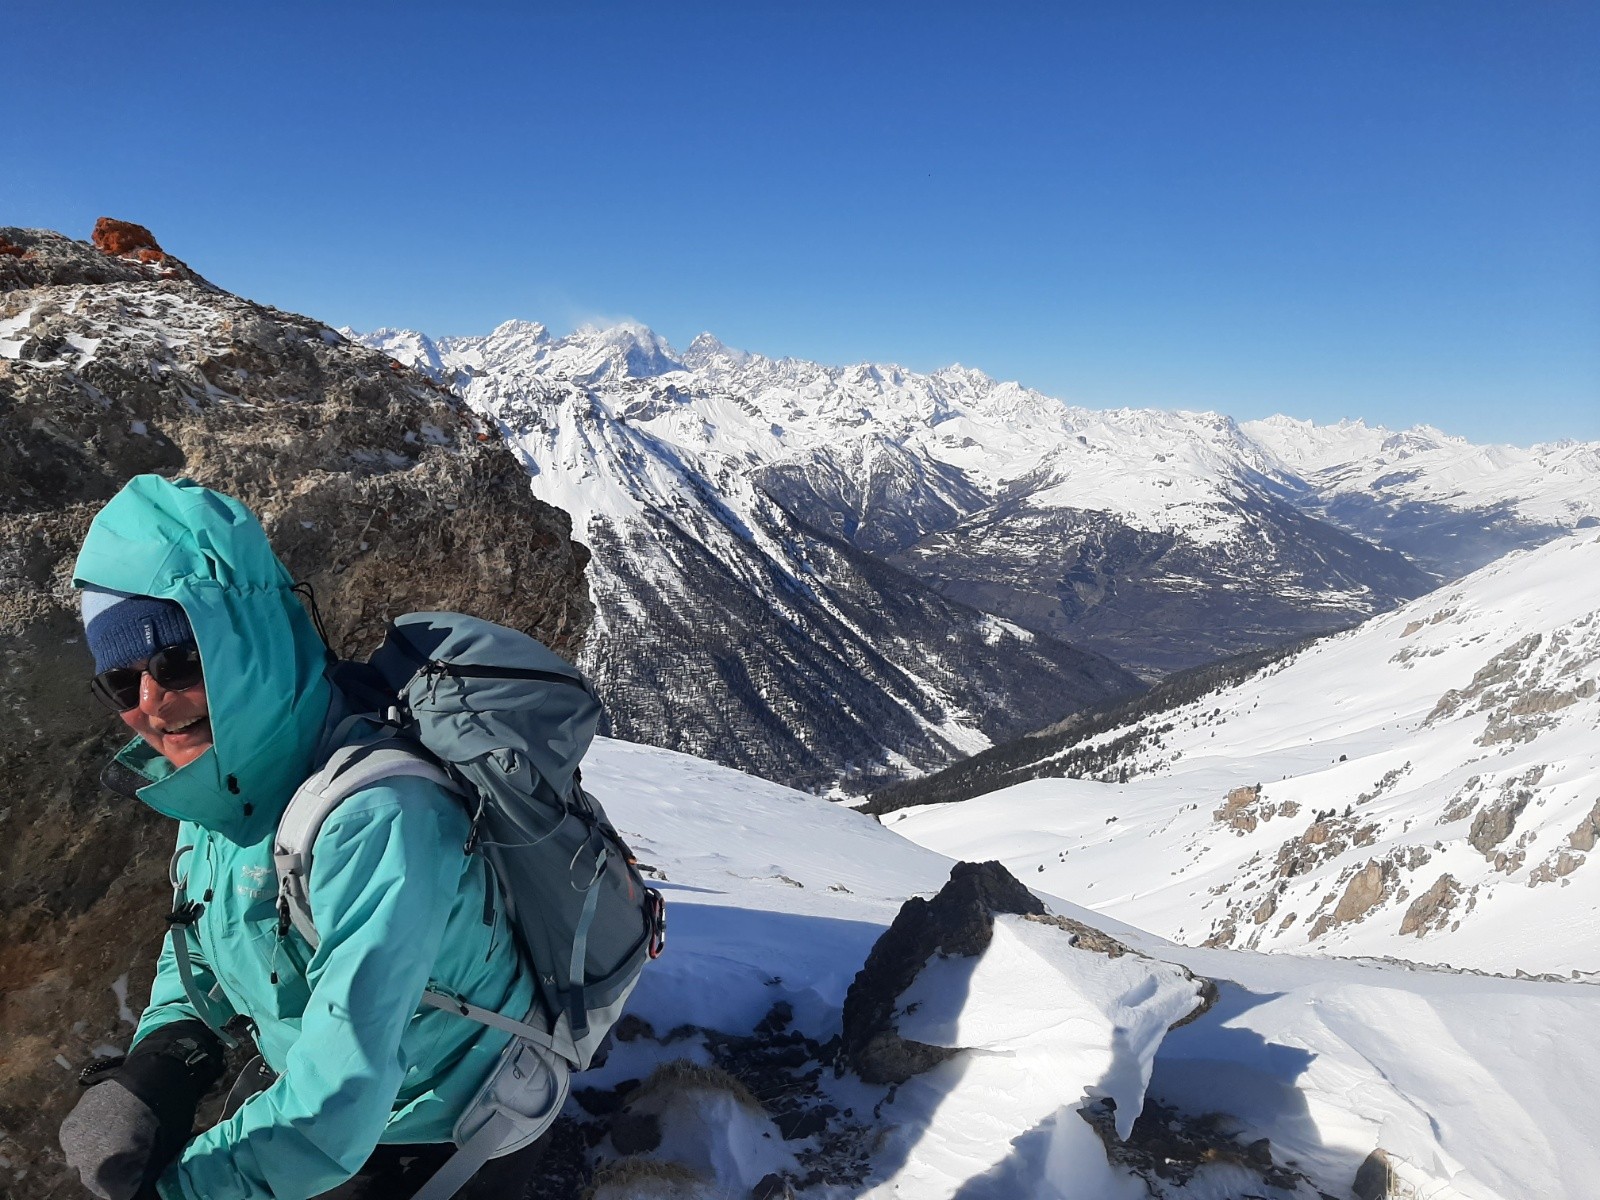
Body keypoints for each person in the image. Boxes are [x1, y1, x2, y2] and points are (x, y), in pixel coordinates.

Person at [59, 475, 544, 1200]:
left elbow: (333, 1105)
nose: (154, 705)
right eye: (122, 685)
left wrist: (177, 1193)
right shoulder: (224, 775)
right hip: (349, 1120)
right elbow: (201, 924)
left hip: (453, 1130)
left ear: (244, 640)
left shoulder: (378, 817)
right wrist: (168, 1051)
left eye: (178, 661)